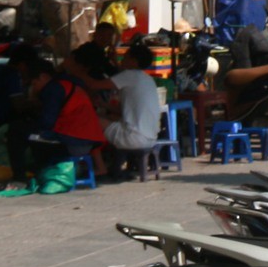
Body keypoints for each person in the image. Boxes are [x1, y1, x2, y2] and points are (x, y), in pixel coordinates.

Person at [13, 53, 106, 183]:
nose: (34, 87)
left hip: (73, 141)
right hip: (88, 141)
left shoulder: (54, 88)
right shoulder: (70, 84)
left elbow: (47, 122)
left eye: (35, 83)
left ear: (44, 77)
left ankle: (20, 176)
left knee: (17, 132)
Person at [106, 50, 164, 163]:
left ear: (134, 61)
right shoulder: (147, 78)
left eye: (125, 57)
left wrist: (75, 71)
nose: (122, 60)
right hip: (151, 138)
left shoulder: (129, 76)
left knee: (93, 120)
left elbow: (93, 84)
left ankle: (100, 165)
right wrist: (103, 104)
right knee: (110, 120)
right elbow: (124, 111)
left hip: (133, 138)